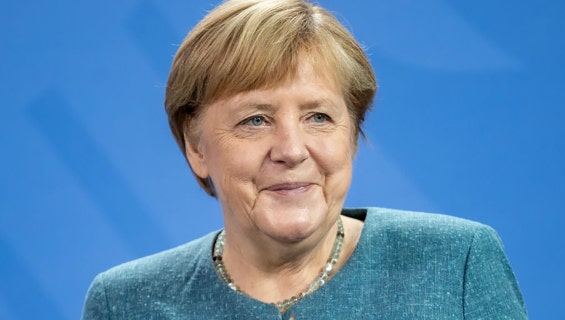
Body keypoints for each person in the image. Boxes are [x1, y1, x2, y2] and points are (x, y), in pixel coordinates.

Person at [82, 0, 527, 318]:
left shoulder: (456, 264)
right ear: (197, 147)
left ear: (352, 134)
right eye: (255, 120)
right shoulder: (125, 303)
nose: (292, 150)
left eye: (318, 116)